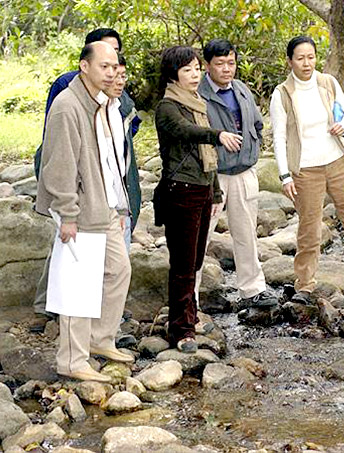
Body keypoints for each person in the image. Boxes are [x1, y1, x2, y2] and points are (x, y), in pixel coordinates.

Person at [31, 28, 141, 332]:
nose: (111, 70)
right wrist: (67, 211)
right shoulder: (69, 97)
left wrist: (121, 205)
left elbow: (116, 156)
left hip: (105, 201)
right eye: (104, 63)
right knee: (78, 276)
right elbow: (60, 156)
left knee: (117, 269)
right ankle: (71, 348)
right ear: (86, 63)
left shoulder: (111, 102)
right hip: (81, 200)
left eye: (115, 61)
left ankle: (101, 336)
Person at [269, 36, 344, 304]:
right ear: (290, 61)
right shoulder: (282, 94)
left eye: (311, 57)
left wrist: (343, 126)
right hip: (305, 170)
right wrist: (285, 175)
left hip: (337, 162)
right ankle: (304, 285)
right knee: (309, 229)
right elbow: (278, 137)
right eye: (300, 58)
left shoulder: (328, 82)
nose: (306, 63)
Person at [153, 46, 242, 353]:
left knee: (196, 261)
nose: (195, 75)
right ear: (173, 74)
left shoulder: (197, 102)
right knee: (182, 263)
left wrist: (216, 192)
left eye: (196, 69)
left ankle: (189, 316)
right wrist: (217, 134)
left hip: (203, 188)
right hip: (181, 190)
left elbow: (209, 159)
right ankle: (180, 330)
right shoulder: (168, 107)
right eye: (187, 70)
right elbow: (186, 132)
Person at [195, 38, 278, 309]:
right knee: (199, 236)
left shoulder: (241, 89)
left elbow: (256, 122)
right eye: (220, 64)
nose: (227, 69)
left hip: (244, 171)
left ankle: (252, 289)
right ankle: (189, 296)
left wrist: (254, 148)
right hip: (213, 175)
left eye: (231, 63)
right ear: (207, 65)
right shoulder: (198, 94)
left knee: (246, 232)